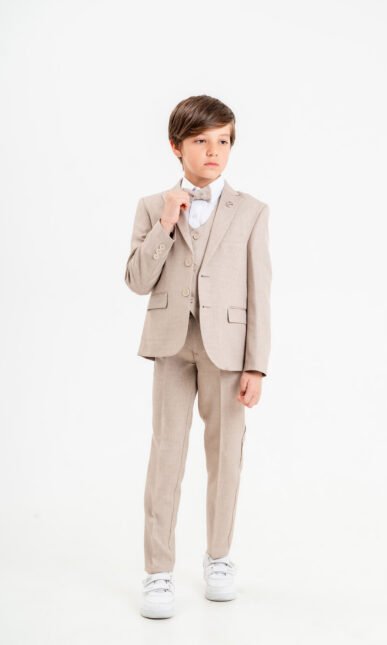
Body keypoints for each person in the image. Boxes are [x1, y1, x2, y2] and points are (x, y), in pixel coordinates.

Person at [124, 94, 272, 619]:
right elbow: (137, 279)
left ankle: (219, 557)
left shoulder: (252, 211)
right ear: (176, 147)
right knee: (166, 454)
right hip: (170, 343)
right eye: (201, 141)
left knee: (226, 454)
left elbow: (260, 290)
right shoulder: (151, 206)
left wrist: (256, 363)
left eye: (223, 141)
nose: (214, 151)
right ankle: (158, 570)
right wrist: (166, 224)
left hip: (227, 350)